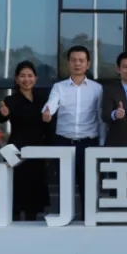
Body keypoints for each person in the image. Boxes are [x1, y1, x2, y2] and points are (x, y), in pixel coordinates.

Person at [43, 45, 102, 220]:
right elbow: (51, 104)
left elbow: (100, 117)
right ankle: (64, 221)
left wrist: (102, 144)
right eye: (74, 60)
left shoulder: (96, 88)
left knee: (88, 187)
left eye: (81, 60)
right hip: (64, 143)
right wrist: (47, 112)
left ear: (88, 64)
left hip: (88, 143)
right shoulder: (59, 87)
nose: (77, 64)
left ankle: (87, 222)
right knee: (64, 185)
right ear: (68, 63)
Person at [0, 61, 51, 221]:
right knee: (16, 192)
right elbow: (1, 117)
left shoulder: (42, 100)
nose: (26, 79)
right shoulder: (11, 99)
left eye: (30, 76)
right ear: (16, 79)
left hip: (37, 151)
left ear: (35, 78)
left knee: (34, 195)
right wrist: (3, 114)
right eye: (22, 76)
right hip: (16, 150)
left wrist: (48, 119)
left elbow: (48, 125)